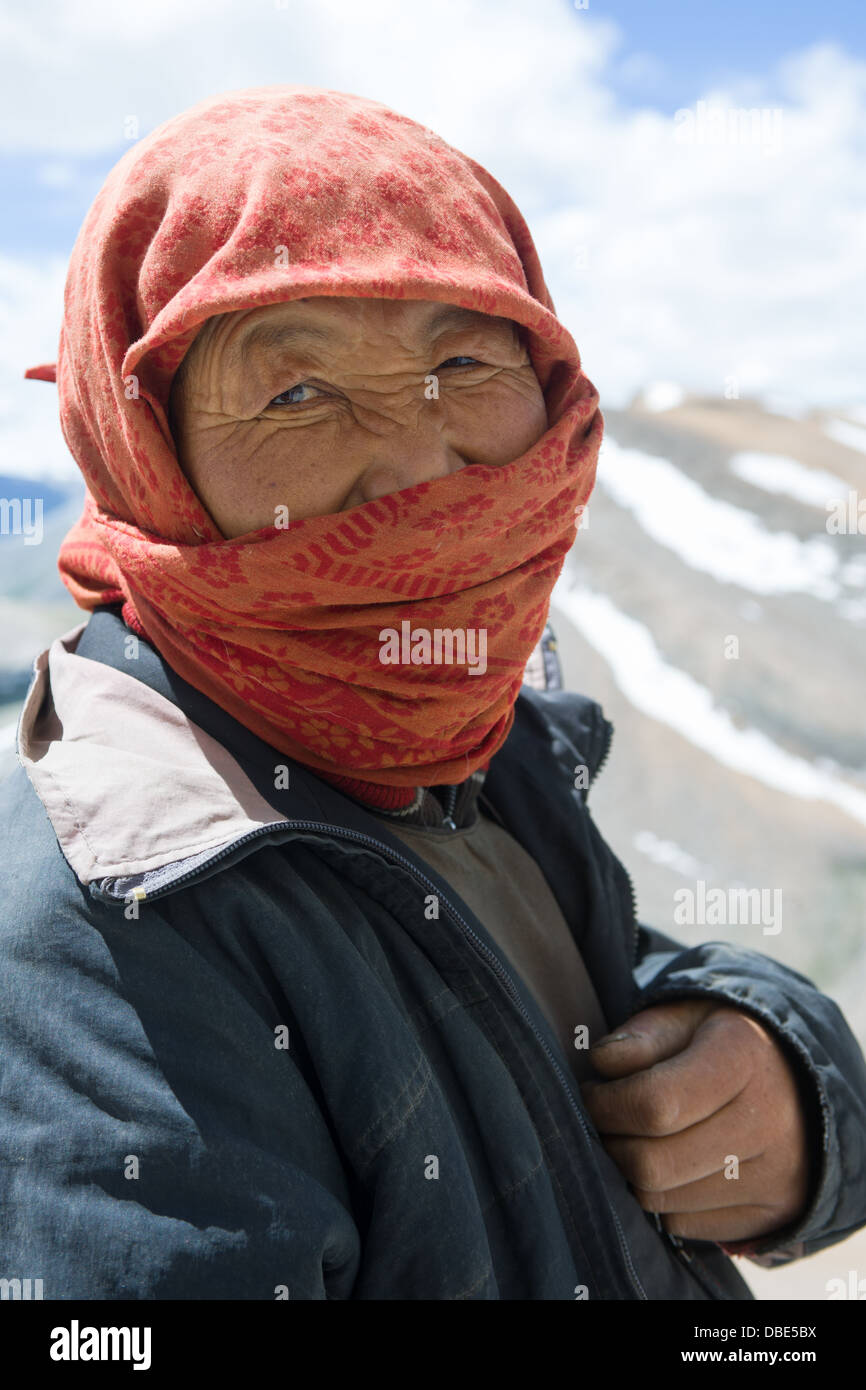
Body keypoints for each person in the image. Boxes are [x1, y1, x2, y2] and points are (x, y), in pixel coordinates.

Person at [1, 85, 864, 1301]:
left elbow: (549, 991)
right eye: (295, 392)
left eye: (462, 361)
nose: (415, 468)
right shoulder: (100, 931)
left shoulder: (470, 746)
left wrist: (784, 1074)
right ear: (145, 455)